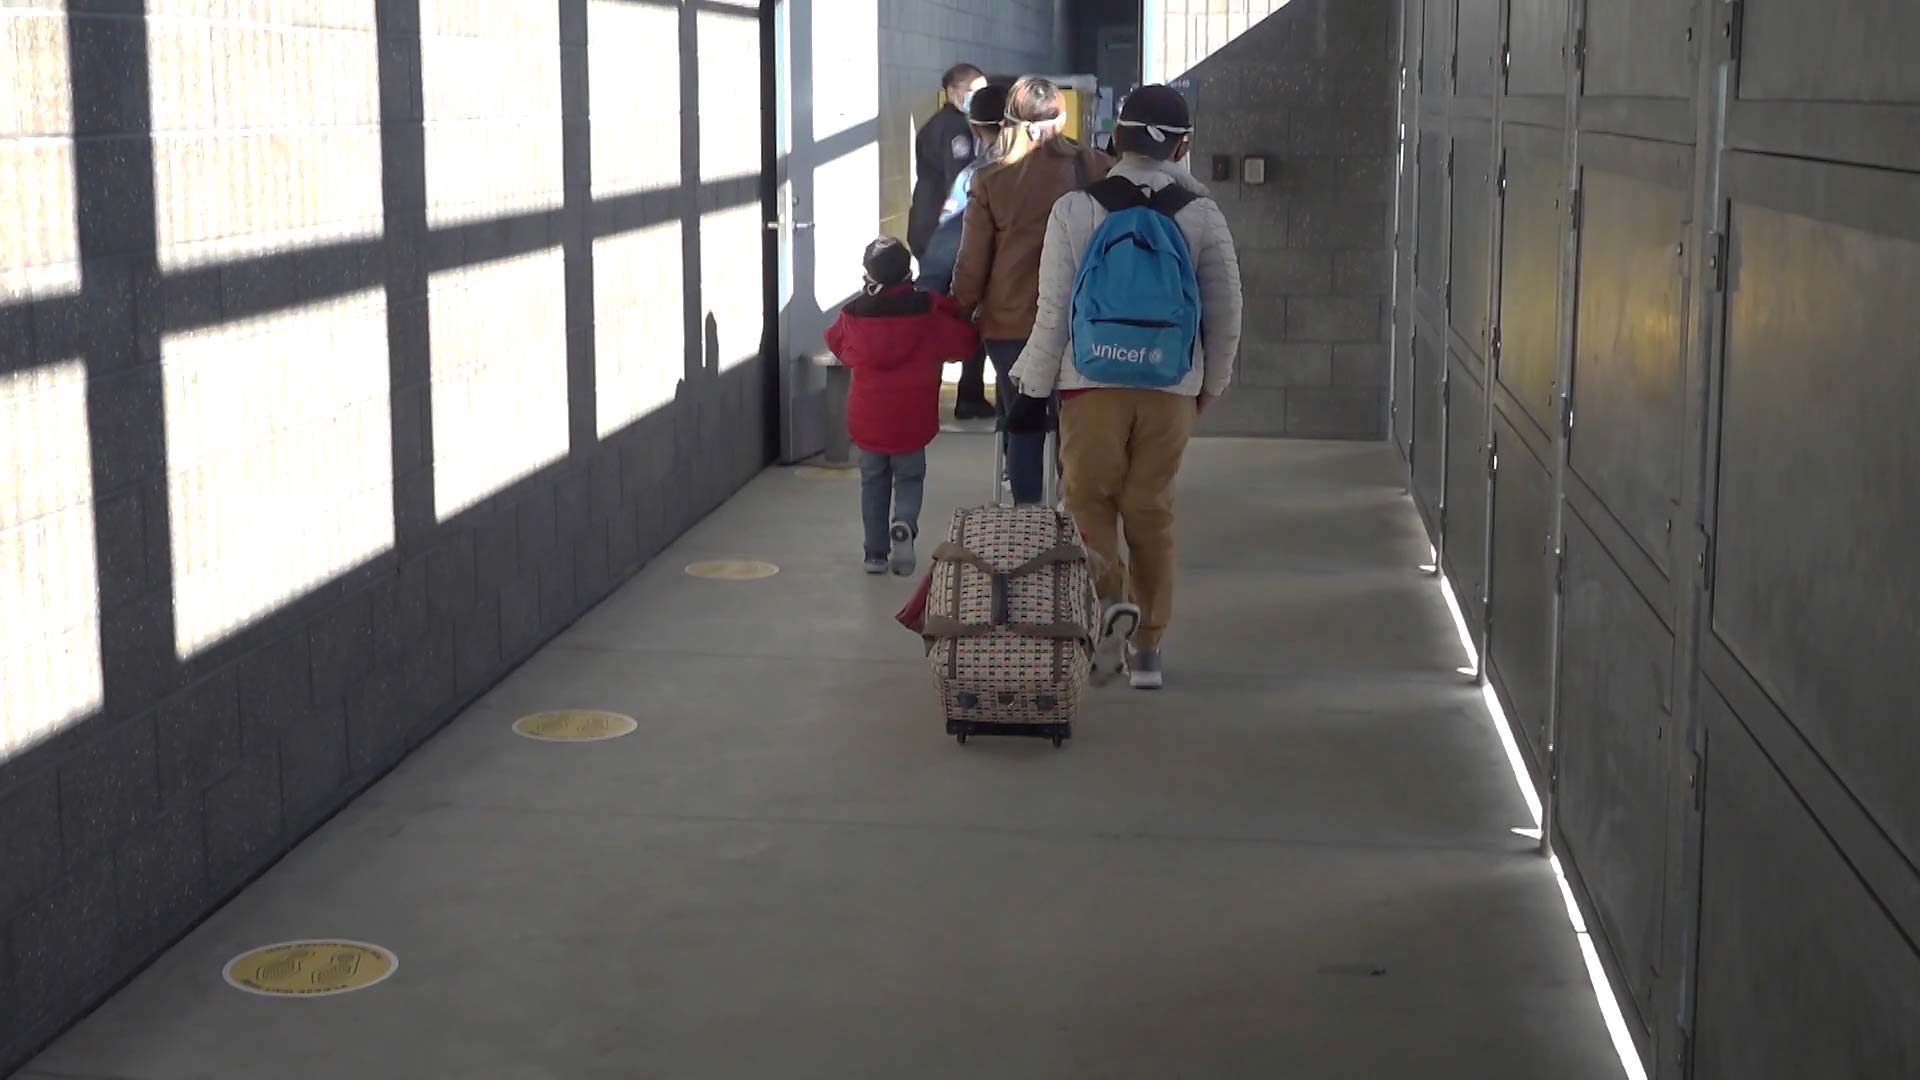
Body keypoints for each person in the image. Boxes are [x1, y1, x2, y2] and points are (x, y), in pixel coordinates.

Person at [1007, 85, 1243, 690]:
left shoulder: (1075, 209)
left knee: (1087, 500)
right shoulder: (1201, 211)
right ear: (1184, 145)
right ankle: (1149, 651)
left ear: (1116, 137)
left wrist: (1032, 383)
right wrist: (1210, 383)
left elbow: (1054, 308)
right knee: (1151, 509)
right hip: (1170, 387)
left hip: (1089, 383)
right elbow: (1225, 309)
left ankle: (1107, 599)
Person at [951, 75, 1112, 505]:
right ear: (1061, 118)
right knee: (1074, 423)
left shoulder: (990, 179)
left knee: (1022, 420)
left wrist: (960, 307)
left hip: (1011, 325)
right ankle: (1072, 513)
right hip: (1080, 321)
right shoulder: (1095, 166)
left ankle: (1025, 521)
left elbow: (972, 262)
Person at [824, 237, 980, 575]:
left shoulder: (853, 313)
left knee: (872, 483)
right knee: (909, 478)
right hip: (912, 418)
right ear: (908, 271)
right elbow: (962, 345)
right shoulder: (927, 310)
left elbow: (836, 342)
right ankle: (905, 523)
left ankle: (874, 555)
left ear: (869, 273)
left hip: (868, 419)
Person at [916, 84, 1007, 422]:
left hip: (962, 263)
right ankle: (970, 396)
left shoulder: (976, 173)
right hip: (1006, 279)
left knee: (951, 325)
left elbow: (952, 227)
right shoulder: (1032, 170)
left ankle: (935, 400)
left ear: (975, 128)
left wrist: (933, 284)